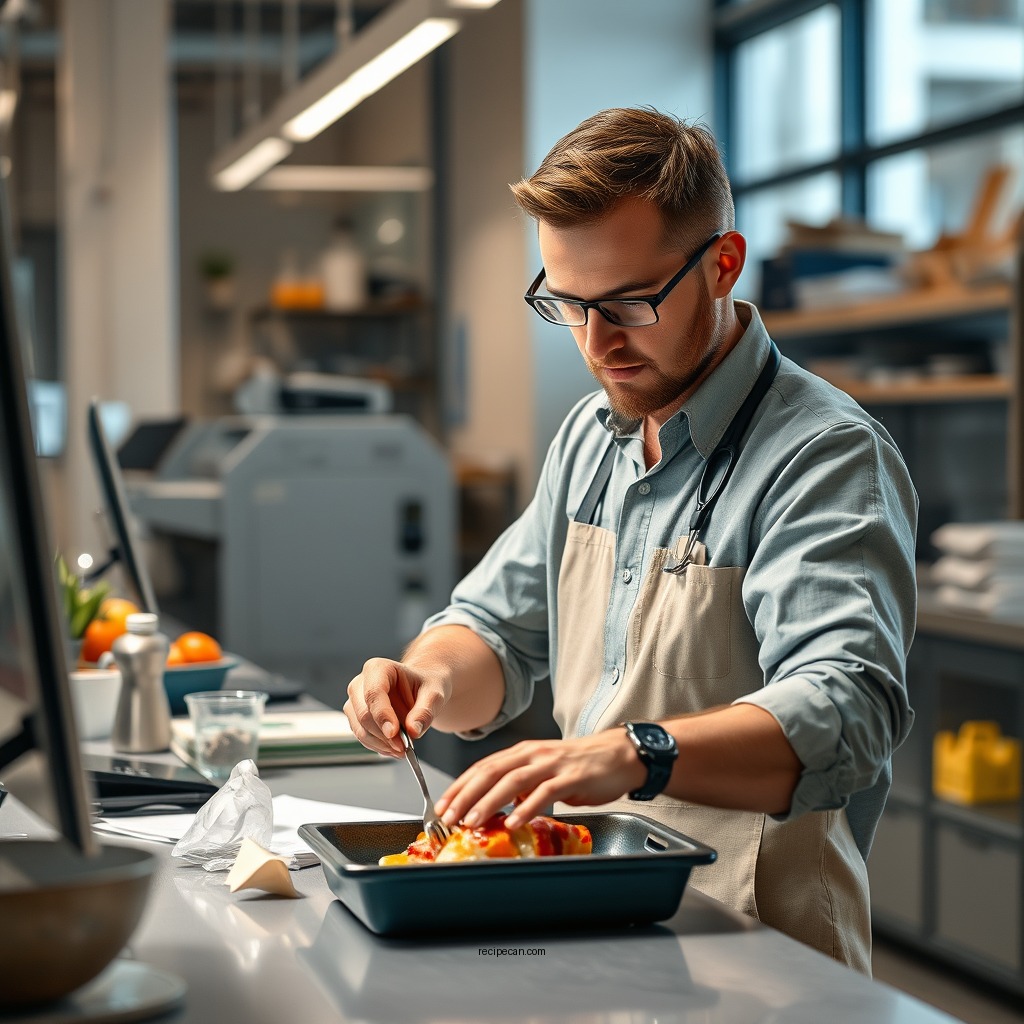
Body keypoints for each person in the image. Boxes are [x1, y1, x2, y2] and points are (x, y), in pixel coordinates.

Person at [343, 107, 918, 973]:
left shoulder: (824, 456)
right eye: (566, 304)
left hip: (759, 959)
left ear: (723, 265)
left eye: (629, 304)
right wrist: (424, 679)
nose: (597, 343)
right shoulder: (591, 436)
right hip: (593, 923)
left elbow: (848, 712)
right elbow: (495, 631)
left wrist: (635, 755)